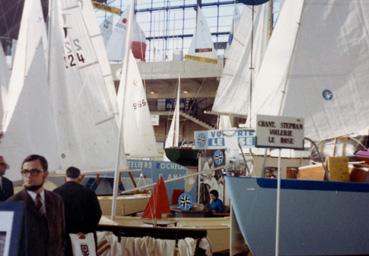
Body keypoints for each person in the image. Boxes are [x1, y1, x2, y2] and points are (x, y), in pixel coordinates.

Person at [7, 154, 65, 256]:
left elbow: (62, 235)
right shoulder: (12, 204)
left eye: (34, 171)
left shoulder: (56, 200)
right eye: (25, 172)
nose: (29, 176)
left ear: (45, 175)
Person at [53, 166, 102, 256]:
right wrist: (86, 230)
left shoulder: (55, 193)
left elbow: (51, 217)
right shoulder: (89, 193)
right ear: (79, 177)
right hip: (84, 238)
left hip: (63, 239)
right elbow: (97, 214)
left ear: (65, 177)